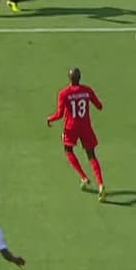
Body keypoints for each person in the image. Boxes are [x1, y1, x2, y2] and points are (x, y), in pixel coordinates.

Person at [46, 68, 108, 201]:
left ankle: (84, 177)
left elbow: (59, 115)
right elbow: (99, 106)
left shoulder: (64, 93)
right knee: (92, 155)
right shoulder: (87, 90)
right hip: (86, 127)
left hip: (71, 127)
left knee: (68, 150)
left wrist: (50, 119)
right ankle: (101, 184)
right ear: (80, 78)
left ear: (69, 79)